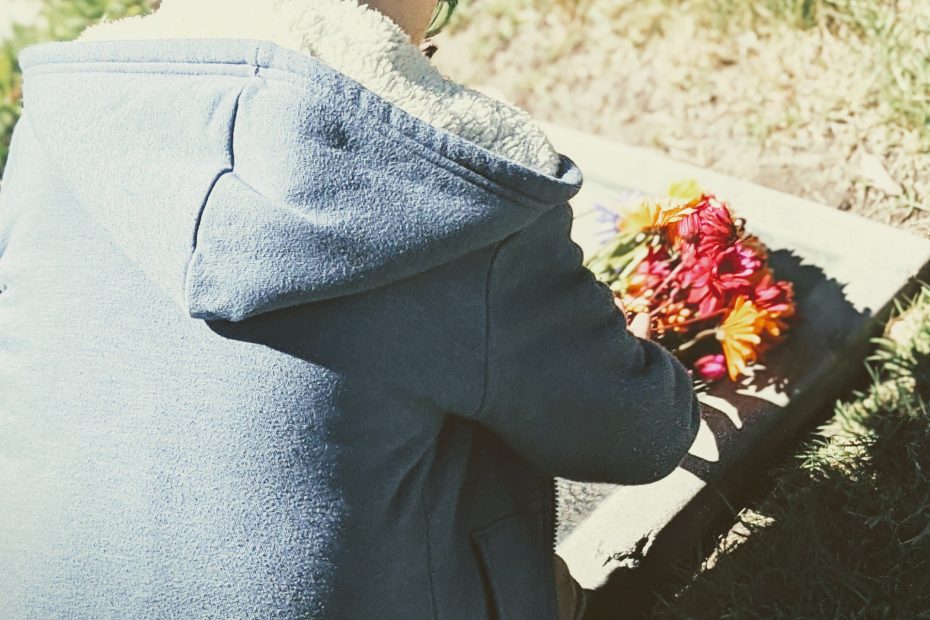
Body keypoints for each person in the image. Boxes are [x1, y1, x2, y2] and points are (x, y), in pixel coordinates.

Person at [0, 0, 701, 618]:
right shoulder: (448, 179)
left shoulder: (56, 130)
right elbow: (638, 438)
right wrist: (631, 364)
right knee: (471, 389)